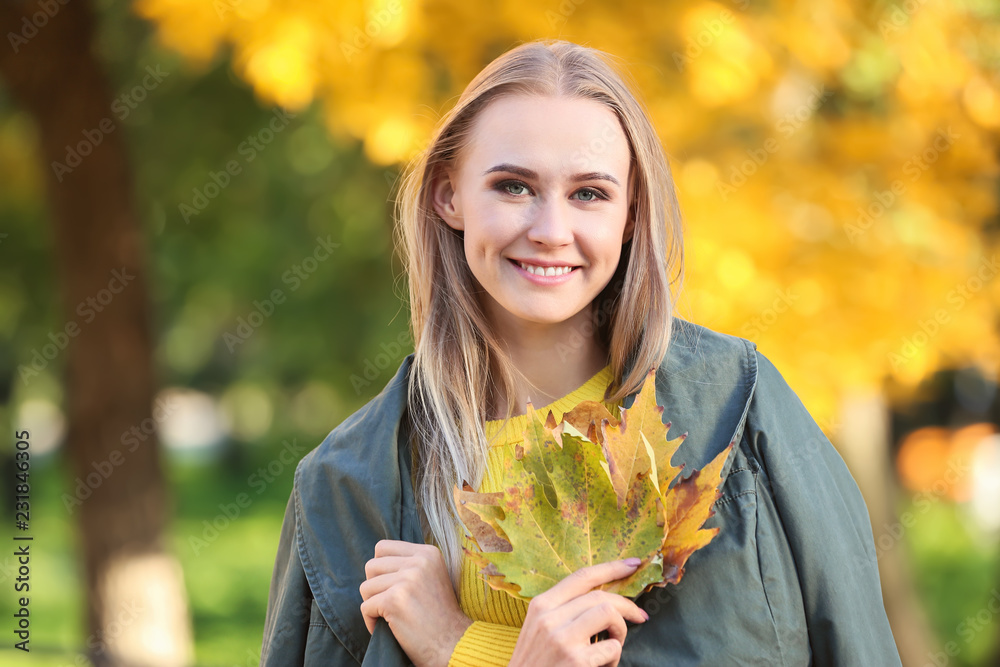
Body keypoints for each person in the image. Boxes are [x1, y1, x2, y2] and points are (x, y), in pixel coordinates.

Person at [260, 39, 902, 667]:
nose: (550, 231)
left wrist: (462, 648)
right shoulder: (347, 491)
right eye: (513, 187)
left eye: (589, 193)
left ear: (630, 216)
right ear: (448, 196)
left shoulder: (741, 413)